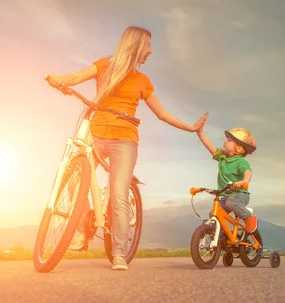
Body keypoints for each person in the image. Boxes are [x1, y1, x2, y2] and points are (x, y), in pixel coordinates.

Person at [48, 25, 209, 270]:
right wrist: (59, 79)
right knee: (74, 174)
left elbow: (162, 114)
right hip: (96, 131)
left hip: (125, 140)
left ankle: (119, 253)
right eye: (148, 46)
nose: (151, 52)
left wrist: (191, 128)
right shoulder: (104, 65)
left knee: (119, 195)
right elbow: (76, 78)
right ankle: (81, 227)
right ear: (136, 46)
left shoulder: (143, 81)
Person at [195, 125, 259, 235]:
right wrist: (200, 133)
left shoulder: (240, 161)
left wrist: (244, 182)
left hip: (240, 194)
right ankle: (224, 239)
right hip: (225, 196)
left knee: (231, 202)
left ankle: (249, 218)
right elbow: (210, 146)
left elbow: (247, 172)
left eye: (229, 140)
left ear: (239, 148)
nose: (225, 142)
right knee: (213, 214)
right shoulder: (222, 157)